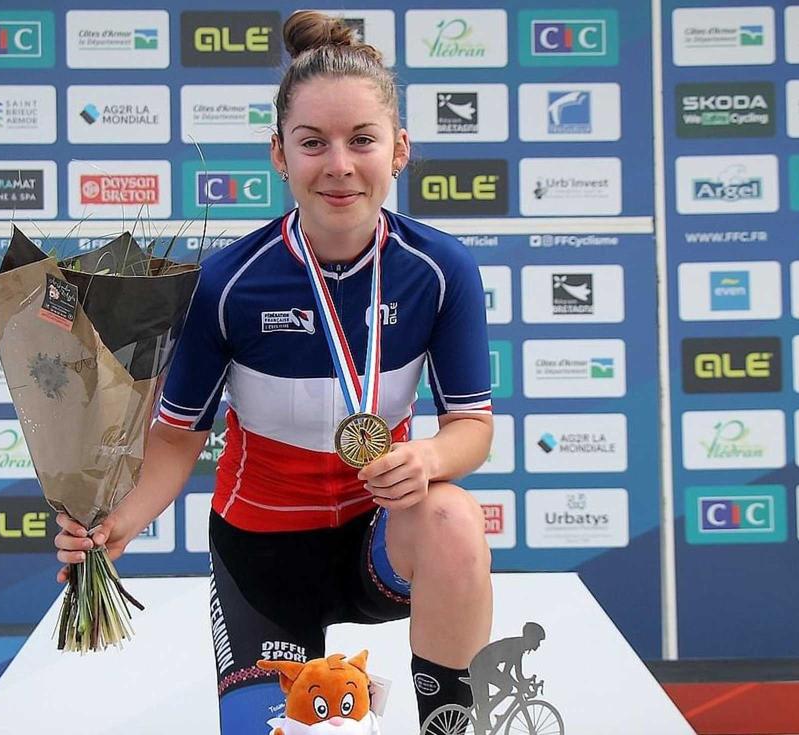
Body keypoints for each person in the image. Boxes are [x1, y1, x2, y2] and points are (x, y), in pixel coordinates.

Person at [54, 10, 494, 732]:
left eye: (362, 140)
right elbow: (175, 439)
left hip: (378, 543)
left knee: (452, 513)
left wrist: (428, 457)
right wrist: (115, 524)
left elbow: (472, 429)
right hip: (263, 561)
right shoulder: (229, 283)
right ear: (279, 155)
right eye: (313, 142)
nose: (340, 165)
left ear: (401, 148)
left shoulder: (440, 272)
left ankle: (452, 724)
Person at [467, 622, 546, 732]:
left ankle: (484, 714)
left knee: (482, 724)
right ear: (530, 638)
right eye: (537, 641)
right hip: (481, 666)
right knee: (507, 687)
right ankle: (485, 712)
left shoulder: (519, 647)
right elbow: (506, 674)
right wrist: (522, 686)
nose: (538, 645)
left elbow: (518, 675)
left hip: (483, 665)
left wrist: (526, 683)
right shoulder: (516, 647)